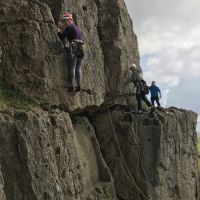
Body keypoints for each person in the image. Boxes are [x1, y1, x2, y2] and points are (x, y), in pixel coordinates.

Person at [57, 13, 84, 92]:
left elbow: (62, 37)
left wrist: (58, 30)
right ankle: (79, 85)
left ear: (70, 20)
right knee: (78, 67)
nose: (65, 23)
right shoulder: (77, 28)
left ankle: (72, 86)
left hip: (74, 46)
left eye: (65, 21)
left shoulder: (69, 27)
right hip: (81, 47)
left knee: (72, 67)